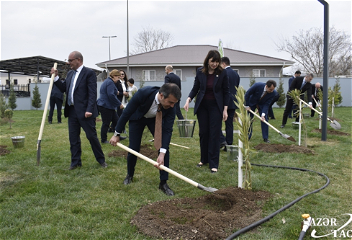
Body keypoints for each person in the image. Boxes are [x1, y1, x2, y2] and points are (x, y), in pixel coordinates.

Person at [109, 83, 181, 196]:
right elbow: (126, 113)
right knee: (134, 148)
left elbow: (167, 130)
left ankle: (163, 183)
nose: (172, 106)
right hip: (137, 118)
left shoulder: (172, 106)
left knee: (164, 148)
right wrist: (116, 134)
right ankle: (130, 175)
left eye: (174, 103)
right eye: (170, 102)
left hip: (154, 119)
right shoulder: (144, 93)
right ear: (161, 96)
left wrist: (162, 153)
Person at [52, 51, 107, 170]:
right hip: (72, 111)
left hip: (85, 112)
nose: (68, 63)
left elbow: (92, 93)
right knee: (73, 138)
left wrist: (89, 110)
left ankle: (101, 160)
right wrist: (56, 77)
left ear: (79, 60)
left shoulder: (89, 73)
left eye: (70, 60)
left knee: (92, 137)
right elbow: (63, 88)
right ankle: (75, 162)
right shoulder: (70, 74)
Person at [183, 50, 229, 174]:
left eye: (217, 61)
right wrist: (188, 100)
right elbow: (195, 88)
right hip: (202, 107)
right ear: (208, 60)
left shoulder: (222, 73)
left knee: (214, 134)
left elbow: (226, 92)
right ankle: (204, 159)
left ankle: (214, 163)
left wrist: (225, 110)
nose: (214, 64)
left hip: (216, 107)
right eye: (212, 61)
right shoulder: (200, 72)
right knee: (203, 133)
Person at [218, 57, 240, 151]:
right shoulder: (236, 74)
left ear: (223, 64)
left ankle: (222, 140)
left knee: (216, 123)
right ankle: (229, 144)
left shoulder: (223, 73)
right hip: (233, 101)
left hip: (223, 101)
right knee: (229, 124)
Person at [97, 69, 124, 144]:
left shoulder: (108, 81)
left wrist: (118, 92)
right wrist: (119, 104)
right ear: (114, 76)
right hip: (105, 106)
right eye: (118, 77)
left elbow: (112, 92)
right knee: (106, 123)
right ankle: (103, 139)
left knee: (117, 121)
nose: (118, 79)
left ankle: (117, 135)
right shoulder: (110, 82)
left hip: (109, 106)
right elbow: (111, 95)